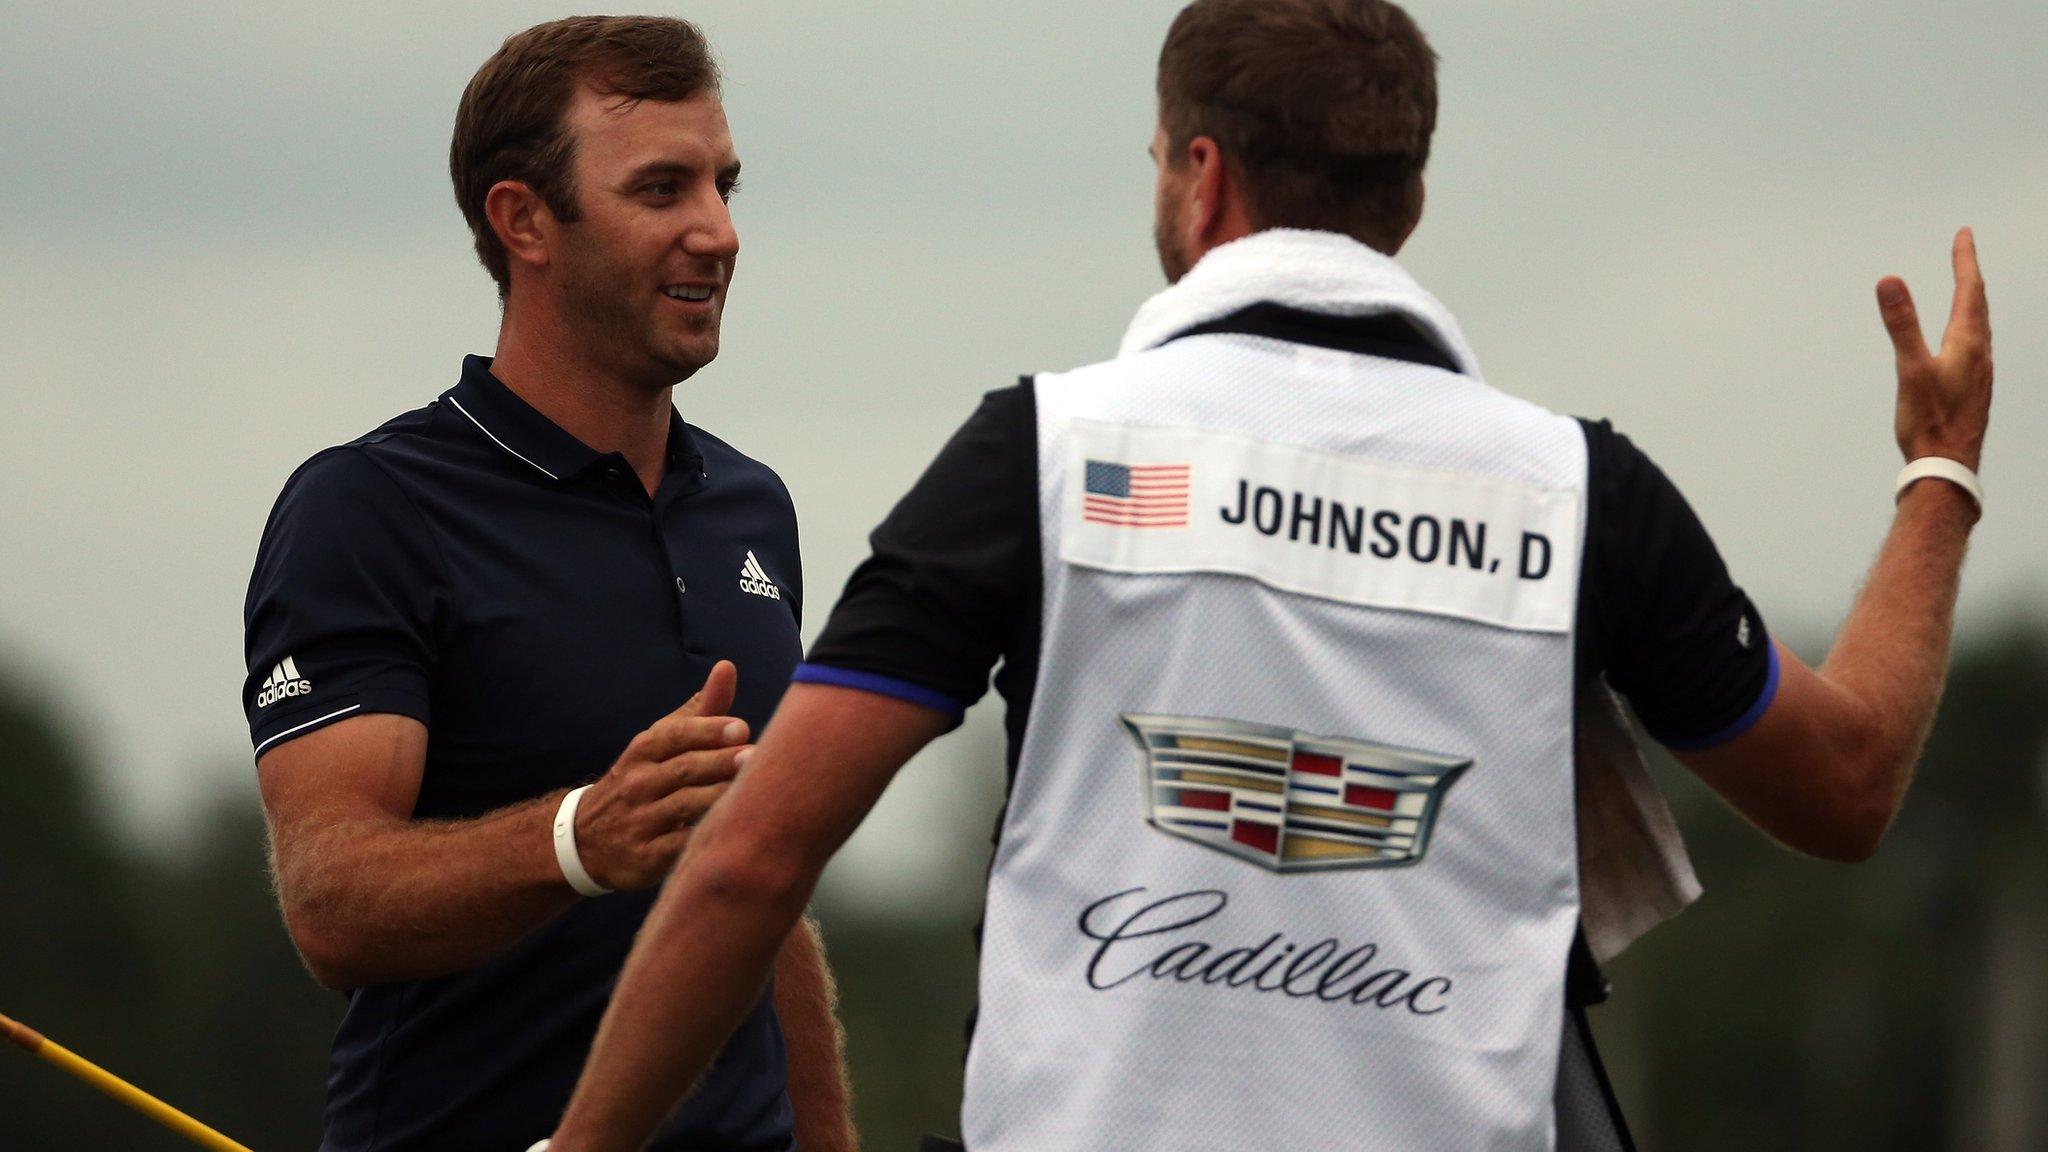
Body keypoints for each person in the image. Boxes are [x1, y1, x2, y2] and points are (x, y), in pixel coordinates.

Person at [542, 1, 1996, 1149]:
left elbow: (753, 856)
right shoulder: (1572, 487)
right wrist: (1938, 475)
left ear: (1201, 175)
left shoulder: (1043, 452)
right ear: (1407, 203)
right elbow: (1849, 782)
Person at [241, 16, 853, 1152]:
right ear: (523, 219)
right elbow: (328, 900)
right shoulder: (370, 507)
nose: (716, 232)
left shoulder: (750, 509)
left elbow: (753, 889)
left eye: (723, 185)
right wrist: (580, 838)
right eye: (661, 189)